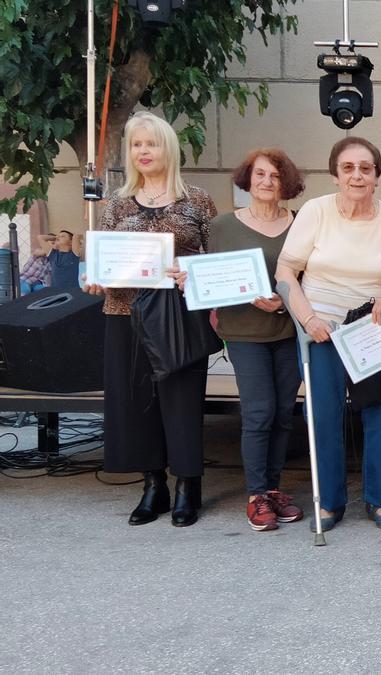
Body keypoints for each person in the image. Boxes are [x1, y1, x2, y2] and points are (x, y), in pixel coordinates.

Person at [83, 111, 216, 527]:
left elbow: (217, 260)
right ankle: (153, 484)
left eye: (151, 143)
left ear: (168, 150)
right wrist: (93, 277)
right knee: (135, 400)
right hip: (125, 313)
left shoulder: (197, 200)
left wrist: (190, 269)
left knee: (182, 401)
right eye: (137, 145)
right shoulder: (117, 204)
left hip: (179, 314)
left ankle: (187, 486)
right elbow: (99, 258)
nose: (144, 151)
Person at [276, 137, 381, 532]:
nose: (357, 175)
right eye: (348, 168)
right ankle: (330, 502)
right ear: (335, 175)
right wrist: (308, 318)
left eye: (366, 168)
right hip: (323, 330)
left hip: (372, 330)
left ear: (378, 177)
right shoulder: (315, 211)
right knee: (324, 415)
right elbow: (285, 273)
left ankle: (380, 500)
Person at [204, 148, 306, 532]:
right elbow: (211, 279)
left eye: (275, 176)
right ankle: (256, 495)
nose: (266, 182)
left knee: (282, 415)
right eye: (260, 174)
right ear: (247, 179)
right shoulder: (223, 226)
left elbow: (307, 277)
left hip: (287, 329)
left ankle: (275, 489)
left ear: (287, 183)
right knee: (259, 413)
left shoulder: (300, 223)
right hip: (243, 332)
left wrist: (283, 303)